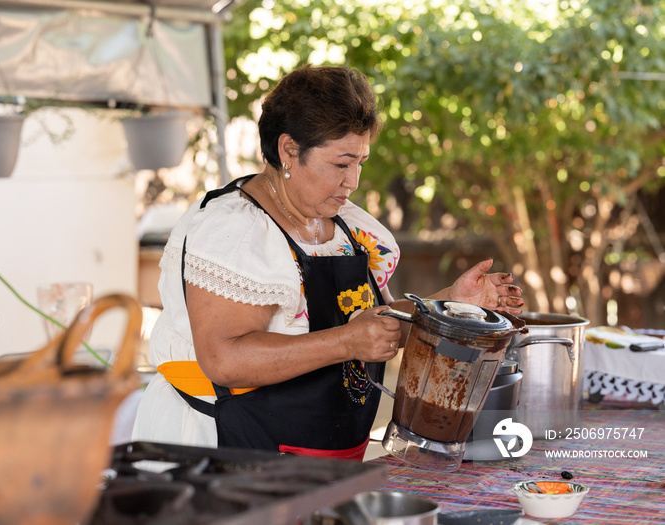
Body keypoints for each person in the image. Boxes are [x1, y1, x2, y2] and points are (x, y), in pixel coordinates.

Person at [132, 64, 524, 460]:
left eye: (360, 163)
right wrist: (345, 341)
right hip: (225, 449)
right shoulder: (235, 232)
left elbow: (375, 323)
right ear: (288, 150)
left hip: (325, 456)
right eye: (341, 163)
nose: (353, 181)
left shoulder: (347, 226)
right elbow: (224, 359)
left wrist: (451, 302)